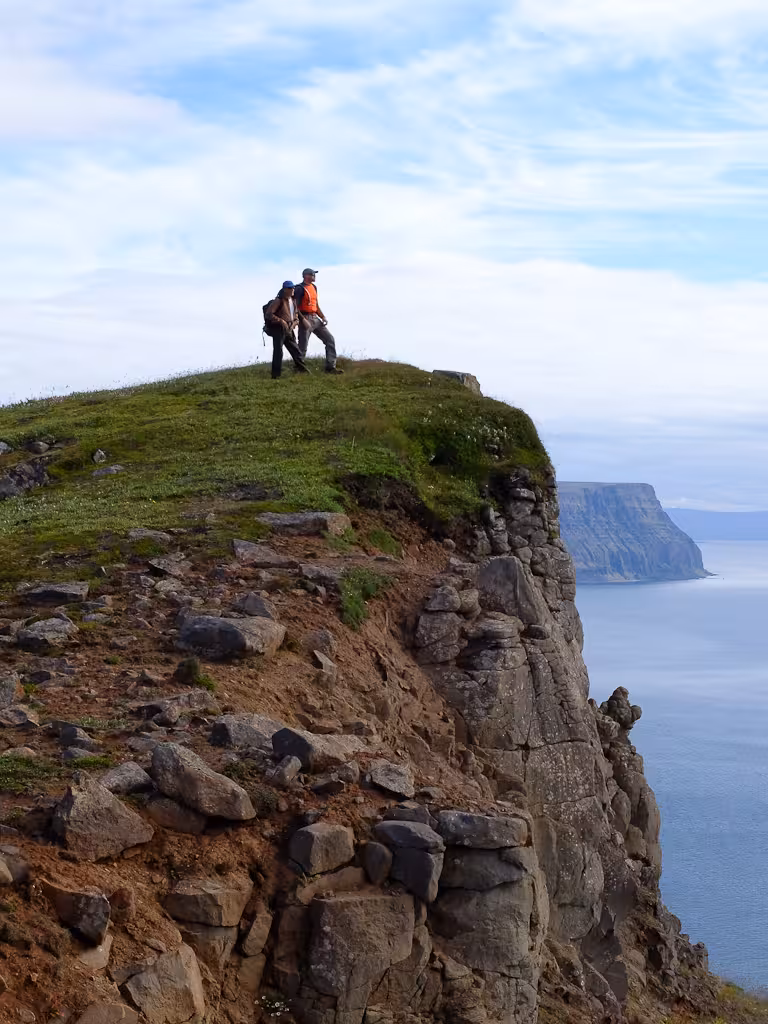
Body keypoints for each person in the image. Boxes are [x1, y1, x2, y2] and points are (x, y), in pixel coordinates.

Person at [294, 268, 343, 374]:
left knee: (330, 340)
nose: (314, 276)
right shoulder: (299, 288)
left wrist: (323, 316)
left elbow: (316, 305)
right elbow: (295, 307)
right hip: (305, 318)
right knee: (303, 345)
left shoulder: (314, 287)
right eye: (312, 274)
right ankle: (299, 369)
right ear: (306, 276)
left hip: (315, 318)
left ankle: (330, 368)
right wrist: (302, 320)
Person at [265, 282, 309, 379]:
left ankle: (303, 370)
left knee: (296, 350)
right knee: (278, 352)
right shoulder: (279, 300)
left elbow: (296, 314)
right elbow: (269, 314)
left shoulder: (293, 300)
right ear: (285, 289)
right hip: (278, 329)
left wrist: (294, 323)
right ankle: (275, 376)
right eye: (290, 288)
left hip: (289, 329)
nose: (292, 290)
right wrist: (281, 321)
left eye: (293, 288)